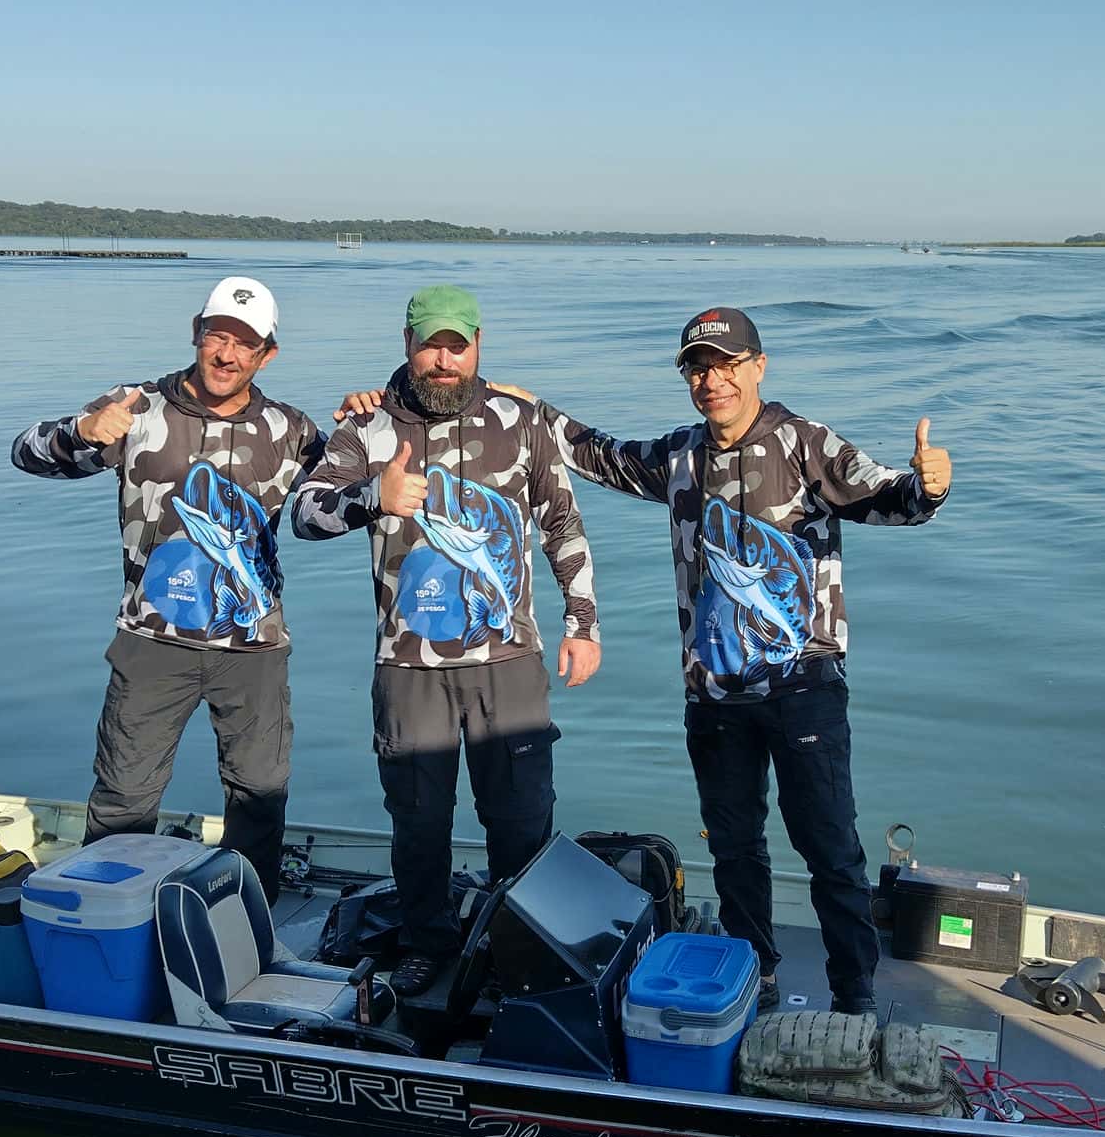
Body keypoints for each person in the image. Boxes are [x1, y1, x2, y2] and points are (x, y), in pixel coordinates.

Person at [524, 306, 950, 1016]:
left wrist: (928, 487)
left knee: (830, 848)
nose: (712, 380)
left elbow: (889, 498)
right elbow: (594, 452)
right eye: (698, 368)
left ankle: (854, 994)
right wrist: (523, 404)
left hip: (804, 683)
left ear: (758, 367)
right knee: (733, 847)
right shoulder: (679, 457)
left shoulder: (805, 444)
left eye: (726, 365)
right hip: (714, 692)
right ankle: (756, 973)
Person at [289, 285, 602, 995]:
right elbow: (305, 514)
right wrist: (372, 498)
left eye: (457, 346)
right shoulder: (366, 428)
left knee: (522, 819)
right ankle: (426, 941)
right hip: (408, 667)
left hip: (509, 661)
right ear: (407, 344)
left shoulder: (521, 421)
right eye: (431, 345)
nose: (443, 360)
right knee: (418, 822)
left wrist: (582, 625)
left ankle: (518, 947)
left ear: (477, 345)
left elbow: (563, 524)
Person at [11, 275, 322, 901]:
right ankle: (105, 913)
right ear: (196, 333)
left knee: (259, 797)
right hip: (150, 642)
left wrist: (386, 405)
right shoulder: (136, 407)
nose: (226, 355)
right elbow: (26, 452)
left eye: (245, 343)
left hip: (254, 649)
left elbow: (349, 492)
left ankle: (250, 923)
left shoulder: (292, 430)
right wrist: (82, 431)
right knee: (124, 797)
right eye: (217, 336)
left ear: (267, 355)